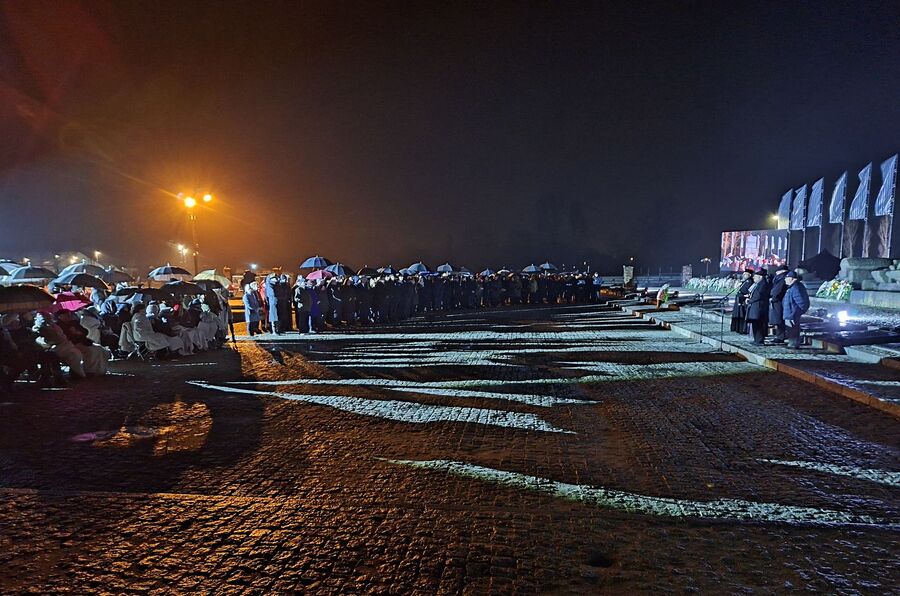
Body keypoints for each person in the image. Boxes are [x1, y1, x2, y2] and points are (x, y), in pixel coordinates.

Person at [782, 271, 810, 349]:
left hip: (792, 313)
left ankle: (794, 344)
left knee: (793, 330)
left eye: (786, 278)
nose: (785, 280)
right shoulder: (792, 287)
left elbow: (800, 302)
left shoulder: (795, 287)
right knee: (791, 329)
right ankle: (792, 343)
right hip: (790, 312)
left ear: (791, 279)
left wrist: (796, 312)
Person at [745, 270, 770, 345]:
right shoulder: (758, 284)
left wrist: (750, 300)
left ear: (760, 277)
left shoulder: (763, 284)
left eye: (755, 277)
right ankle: (756, 339)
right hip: (755, 306)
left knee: (759, 324)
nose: (753, 278)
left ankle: (759, 340)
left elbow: (758, 295)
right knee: (755, 324)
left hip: (759, 307)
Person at [768, 265, 789, 344]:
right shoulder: (780, 278)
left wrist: (773, 297)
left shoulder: (781, 278)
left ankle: (781, 336)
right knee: (778, 319)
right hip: (777, 301)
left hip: (778, 302)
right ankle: (780, 336)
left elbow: (777, 290)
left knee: (779, 319)